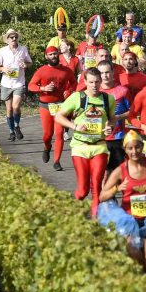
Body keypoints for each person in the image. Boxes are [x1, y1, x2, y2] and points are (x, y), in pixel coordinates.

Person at [98, 131, 146, 276]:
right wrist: (116, 188)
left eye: (137, 147)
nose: (134, 151)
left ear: (142, 146)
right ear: (125, 150)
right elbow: (102, 196)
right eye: (130, 148)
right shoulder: (120, 171)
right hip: (129, 222)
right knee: (137, 261)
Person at [54, 67, 115, 217]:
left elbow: (111, 119)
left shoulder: (108, 99)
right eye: (91, 82)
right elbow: (59, 116)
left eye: (97, 82)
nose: (94, 85)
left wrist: (109, 128)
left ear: (101, 82)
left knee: (96, 187)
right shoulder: (77, 98)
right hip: (80, 147)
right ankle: (73, 214)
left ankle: (96, 222)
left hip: (99, 147)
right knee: (82, 190)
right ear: (85, 82)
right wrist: (74, 126)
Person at [27, 46, 75, 168]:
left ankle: (57, 161)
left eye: (55, 54)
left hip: (60, 105)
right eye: (51, 54)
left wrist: (69, 90)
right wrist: (42, 88)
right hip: (45, 106)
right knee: (47, 135)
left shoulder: (66, 70)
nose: (53, 56)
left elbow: (74, 83)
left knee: (59, 133)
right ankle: (47, 147)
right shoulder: (41, 70)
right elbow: (30, 86)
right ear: (46, 56)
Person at [0, 28, 33, 141]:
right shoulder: (2, 51)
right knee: (9, 109)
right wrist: (3, 69)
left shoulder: (23, 49)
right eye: (11, 37)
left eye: (15, 37)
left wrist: (25, 65)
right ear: (7, 40)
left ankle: (16, 126)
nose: (14, 39)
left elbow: (30, 63)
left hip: (19, 83)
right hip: (6, 83)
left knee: (16, 107)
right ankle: (11, 132)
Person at [97, 61, 131, 172]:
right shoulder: (94, 91)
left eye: (107, 72)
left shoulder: (123, 91)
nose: (105, 76)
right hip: (99, 138)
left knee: (119, 172)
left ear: (113, 72)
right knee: (101, 173)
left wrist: (118, 117)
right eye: (101, 73)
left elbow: (133, 112)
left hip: (118, 137)